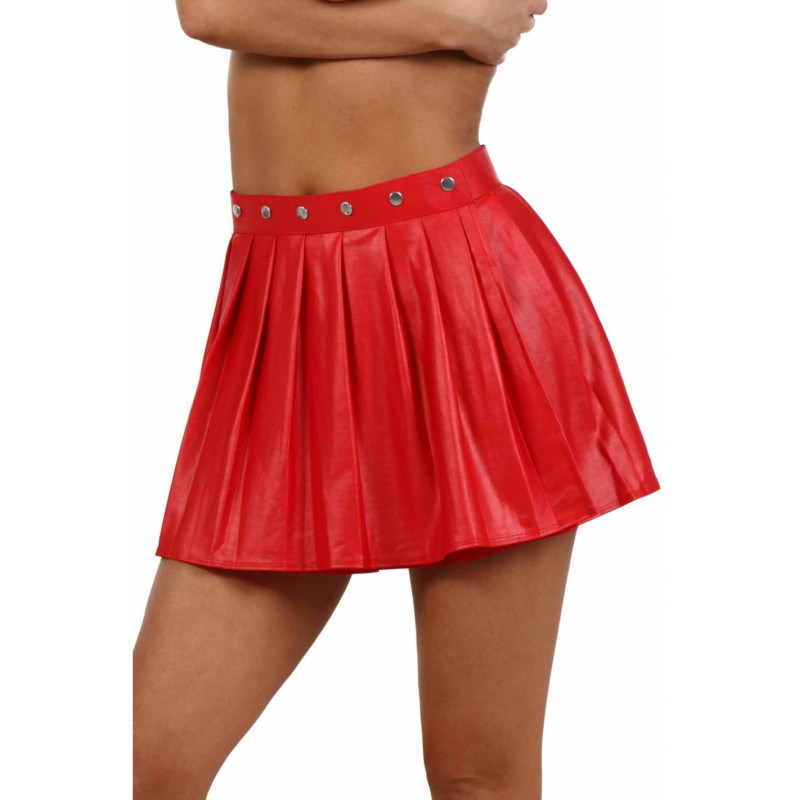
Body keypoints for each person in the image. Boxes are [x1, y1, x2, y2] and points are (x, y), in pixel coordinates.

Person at [133, 1, 660, 797]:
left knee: (478, 774)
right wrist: (445, 22)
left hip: (456, 299)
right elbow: (212, 9)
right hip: (284, 308)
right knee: (151, 753)